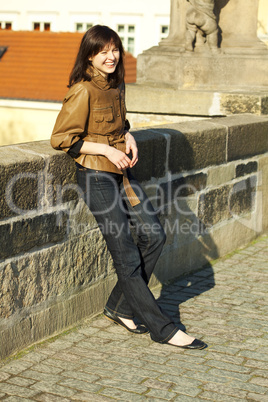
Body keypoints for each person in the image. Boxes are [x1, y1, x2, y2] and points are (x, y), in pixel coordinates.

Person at [51, 25, 206, 350]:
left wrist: (127, 136)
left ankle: (119, 307)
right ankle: (162, 327)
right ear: (89, 55)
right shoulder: (83, 89)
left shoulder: (116, 84)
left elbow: (116, 123)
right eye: (102, 51)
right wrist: (107, 149)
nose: (110, 56)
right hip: (96, 178)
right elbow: (62, 138)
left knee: (154, 235)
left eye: (114, 49)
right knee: (125, 255)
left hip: (122, 176)